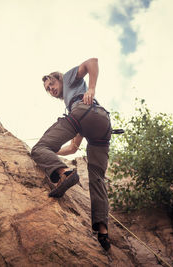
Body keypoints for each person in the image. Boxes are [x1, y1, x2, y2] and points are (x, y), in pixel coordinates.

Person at [31, 58, 111, 251]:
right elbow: (73, 148)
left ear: (59, 79)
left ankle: (65, 173)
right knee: (97, 179)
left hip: (83, 113)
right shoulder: (73, 98)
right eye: (47, 89)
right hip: (102, 124)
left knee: (37, 149)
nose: (51, 89)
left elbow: (92, 61)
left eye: (52, 83)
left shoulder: (69, 79)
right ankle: (103, 232)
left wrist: (91, 89)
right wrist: (52, 151)